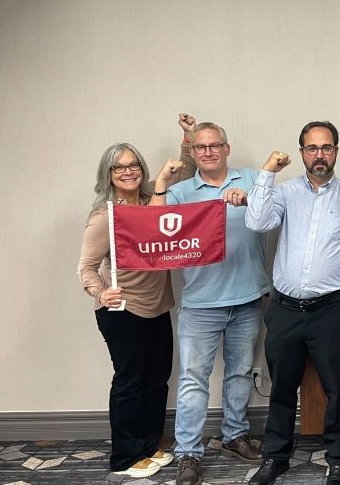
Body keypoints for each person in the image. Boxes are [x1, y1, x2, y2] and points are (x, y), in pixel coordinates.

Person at [244, 121, 340, 485]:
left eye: (327, 148)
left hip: (330, 310)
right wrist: (267, 173)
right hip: (284, 310)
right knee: (282, 388)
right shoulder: (285, 192)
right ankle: (276, 458)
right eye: (312, 148)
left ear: (335, 151)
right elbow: (256, 221)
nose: (320, 155)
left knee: (338, 389)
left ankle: (338, 460)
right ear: (302, 152)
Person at [152, 119, 272, 485]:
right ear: (193, 152)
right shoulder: (180, 192)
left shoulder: (252, 178)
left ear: (226, 148)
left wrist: (251, 197)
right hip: (200, 303)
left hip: (249, 296)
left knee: (239, 373)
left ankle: (235, 435)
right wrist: (159, 184)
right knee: (193, 380)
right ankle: (188, 452)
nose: (208, 152)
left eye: (215, 145)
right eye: (201, 147)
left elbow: (275, 213)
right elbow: (154, 227)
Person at [77, 118, 195, 478]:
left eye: (133, 165)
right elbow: (86, 267)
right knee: (129, 383)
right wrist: (101, 291)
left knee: (157, 380)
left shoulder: (152, 199)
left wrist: (187, 139)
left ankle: (149, 445)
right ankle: (126, 457)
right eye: (119, 167)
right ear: (108, 174)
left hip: (158, 308)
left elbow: (183, 172)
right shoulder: (105, 216)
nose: (128, 172)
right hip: (123, 311)